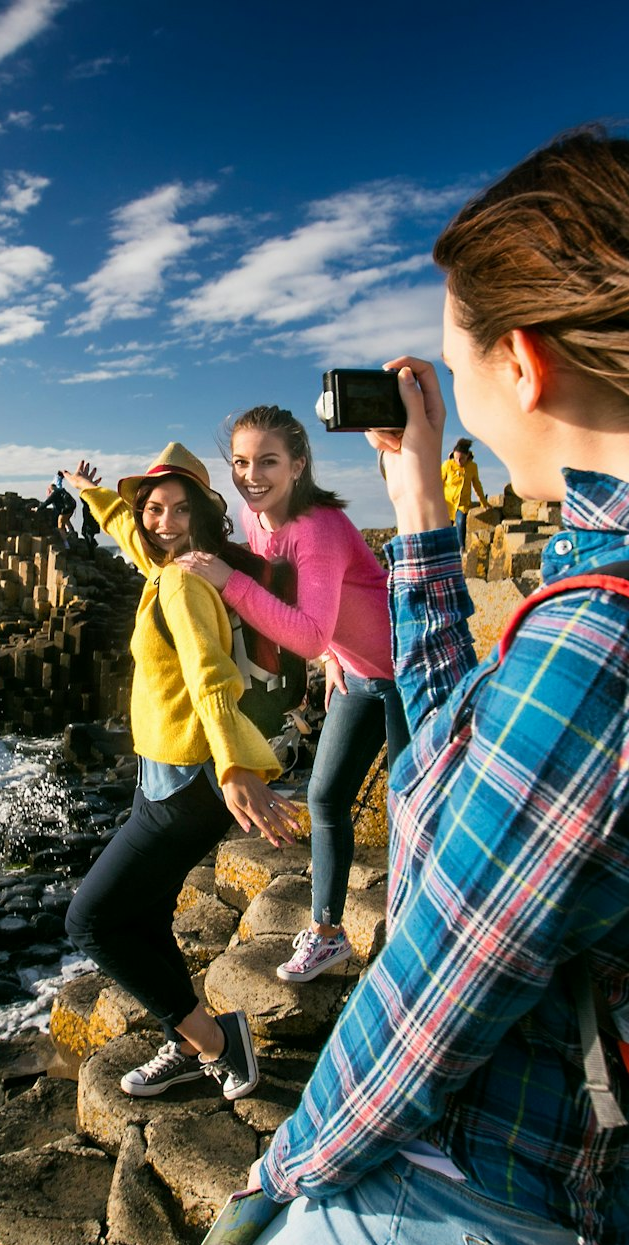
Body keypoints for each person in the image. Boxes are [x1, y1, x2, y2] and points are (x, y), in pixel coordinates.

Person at [228, 127, 629, 1245]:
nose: (453, 394)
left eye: (455, 361)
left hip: (455, 1211)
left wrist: (268, 1185)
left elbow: (428, 998)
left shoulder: (609, 650)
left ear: (524, 364)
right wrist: (419, 510)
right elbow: (459, 750)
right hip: (586, 1187)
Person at [61, 444, 303, 1101]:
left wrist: (233, 764)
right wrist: (93, 494)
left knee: (92, 922)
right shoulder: (174, 564)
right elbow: (131, 536)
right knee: (142, 917)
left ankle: (220, 1044)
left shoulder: (183, 581)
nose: (161, 521)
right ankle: (189, 1042)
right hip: (165, 781)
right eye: (152, 509)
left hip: (187, 787)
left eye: (176, 509)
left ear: (202, 514)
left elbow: (209, 674)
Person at [177, 406, 408, 984]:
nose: (251, 475)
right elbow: (317, 622)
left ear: (299, 465)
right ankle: (328, 935)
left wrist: (228, 583)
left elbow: (307, 630)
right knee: (327, 798)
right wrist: (334, 659)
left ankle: (417, 933)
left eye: (267, 461)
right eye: (240, 461)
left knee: (414, 812)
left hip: (409, 677)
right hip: (357, 677)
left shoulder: (319, 528)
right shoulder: (259, 522)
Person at [440, 435, 488, 550]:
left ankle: (462, 549)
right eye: (456, 458)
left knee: (461, 522)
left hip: (462, 504)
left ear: (467, 456)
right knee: (445, 529)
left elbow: (477, 485)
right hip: (448, 503)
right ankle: (445, 551)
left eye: (461, 458)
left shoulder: (472, 467)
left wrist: (484, 502)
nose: (458, 461)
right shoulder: (447, 465)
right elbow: (438, 482)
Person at [38, 475, 77, 547]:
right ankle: (71, 532)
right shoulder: (61, 491)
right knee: (65, 519)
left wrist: (37, 509)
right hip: (71, 508)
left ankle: (66, 544)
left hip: (65, 510)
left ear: (50, 490)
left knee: (60, 526)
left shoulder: (54, 494)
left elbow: (46, 503)